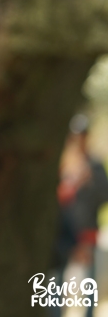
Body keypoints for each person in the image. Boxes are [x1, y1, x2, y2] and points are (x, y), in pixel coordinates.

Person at [50, 113, 108, 317]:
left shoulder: (95, 165)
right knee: (56, 281)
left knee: (88, 283)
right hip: (63, 233)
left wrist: (88, 182)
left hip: (88, 231)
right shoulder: (62, 163)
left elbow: (104, 195)